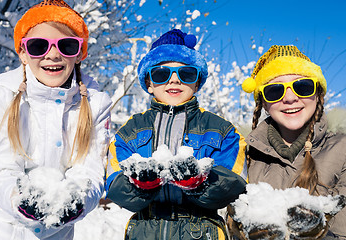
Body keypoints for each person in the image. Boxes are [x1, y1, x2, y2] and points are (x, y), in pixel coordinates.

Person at [105, 29, 247, 240]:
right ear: (149, 83)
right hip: (144, 231)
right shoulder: (130, 130)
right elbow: (114, 183)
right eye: (161, 74)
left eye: (186, 73)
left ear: (197, 82)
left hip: (202, 231)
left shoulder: (221, 130)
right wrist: (142, 185)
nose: (173, 80)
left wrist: (199, 182)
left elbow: (235, 183)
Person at [0, 0, 112, 239]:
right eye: (39, 46)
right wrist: (19, 198)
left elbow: (90, 170)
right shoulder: (1, 94)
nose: (53, 55)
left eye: (67, 45)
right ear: (23, 54)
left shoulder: (95, 104)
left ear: (78, 54)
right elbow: (0, 168)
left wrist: (76, 201)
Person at [230, 45, 346, 239]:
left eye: (302, 87)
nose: (290, 98)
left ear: (318, 93)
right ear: (263, 102)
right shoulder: (243, 155)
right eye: (274, 91)